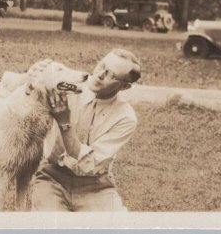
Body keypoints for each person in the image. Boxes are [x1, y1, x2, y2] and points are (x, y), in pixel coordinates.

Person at [31, 48, 141, 212]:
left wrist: (64, 123)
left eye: (111, 74)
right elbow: (12, 91)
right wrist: (32, 75)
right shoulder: (70, 84)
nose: (100, 74)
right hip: (52, 176)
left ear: (124, 86)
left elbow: (88, 165)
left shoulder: (125, 117)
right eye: (102, 65)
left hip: (96, 186)